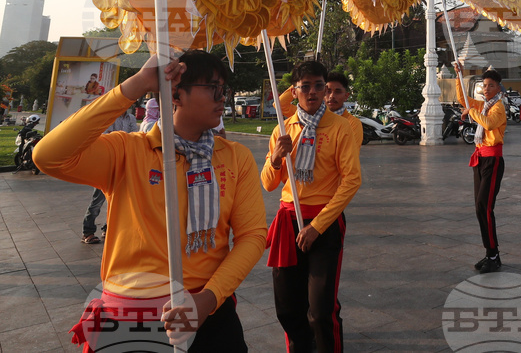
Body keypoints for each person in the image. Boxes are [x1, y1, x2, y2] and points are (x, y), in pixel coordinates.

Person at [35, 51, 267, 351]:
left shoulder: (235, 157)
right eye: (213, 88)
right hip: (132, 317)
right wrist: (138, 83)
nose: (222, 98)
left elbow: (252, 235)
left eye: (224, 89)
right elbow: (48, 156)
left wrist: (207, 299)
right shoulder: (128, 151)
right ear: (176, 95)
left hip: (207, 309)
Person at [263, 60, 362, 352]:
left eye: (319, 86)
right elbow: (268, 183)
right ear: (294, 91)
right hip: (288, 221)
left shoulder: (341, 127)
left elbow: (352, 180)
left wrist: (317, 226)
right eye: (305, 86)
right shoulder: (283, 129)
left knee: (320, 311)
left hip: (325, 223)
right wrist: (276, 158)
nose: (313, 92)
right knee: (288, 308)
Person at [455, 63, 507, 272]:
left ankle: (493, 255)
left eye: (490, 85)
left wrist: (471, 112)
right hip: (480, 159)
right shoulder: (483, 105)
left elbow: (489, 124)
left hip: (493, 161)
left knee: (485, 207)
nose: (486, 89)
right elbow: (463, 100)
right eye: (484, 85)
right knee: (480, 207)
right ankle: (491, 253)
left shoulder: (498, 107)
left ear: (498, 88)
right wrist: (459, 75)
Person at [81, 106, 139, 244]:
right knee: (98, 200)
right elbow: (107, 137)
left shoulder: (131, 118)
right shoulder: (110, 117)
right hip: (106, 163)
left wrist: (121, 139)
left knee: (117, 200)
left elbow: (135, 137)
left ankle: (108, 229)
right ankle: (88, 232)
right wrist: (124, 140)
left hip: (123, 162)